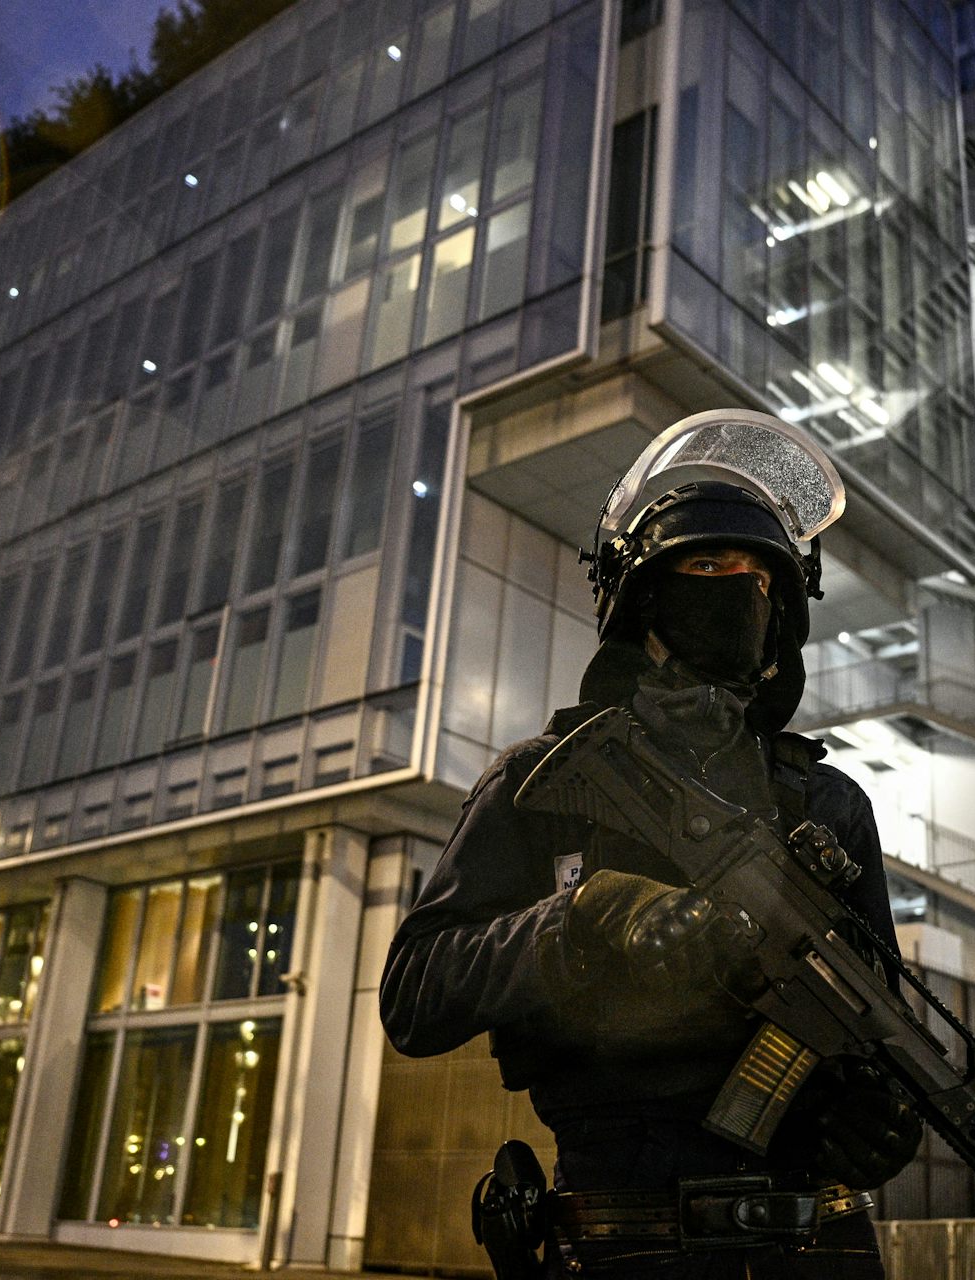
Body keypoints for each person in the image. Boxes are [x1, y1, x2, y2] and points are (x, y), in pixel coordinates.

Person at [380, 410, 922, 1278]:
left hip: (813, 1244)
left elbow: (877, 1019)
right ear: (644, 598)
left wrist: (875, 1117)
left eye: (756, 578)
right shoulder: (543, 784)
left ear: (780, 610)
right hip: (623, 1239)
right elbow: (415, 996)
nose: (733, 589)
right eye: (705, 566)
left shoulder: (827, 805)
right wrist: (580, 921)